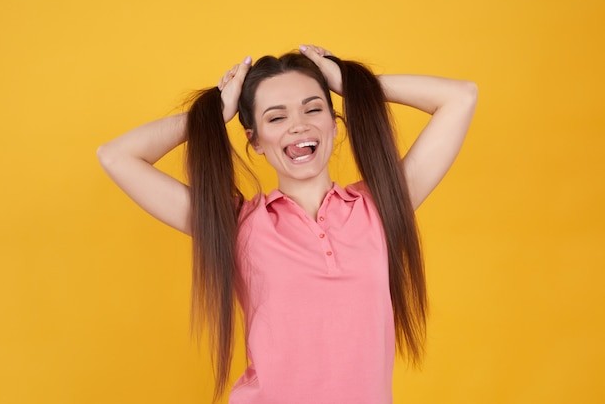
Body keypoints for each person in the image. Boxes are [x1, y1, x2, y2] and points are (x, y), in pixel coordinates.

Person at [97, 44, 478, 403]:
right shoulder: (238, 225)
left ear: (334, 123)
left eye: (313, 109)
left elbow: (461, 97)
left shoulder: (380, 207)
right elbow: (116, 156)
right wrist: (212, 114)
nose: (298, 126)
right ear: (256, 140)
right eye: (276, 117)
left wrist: (353, 85)